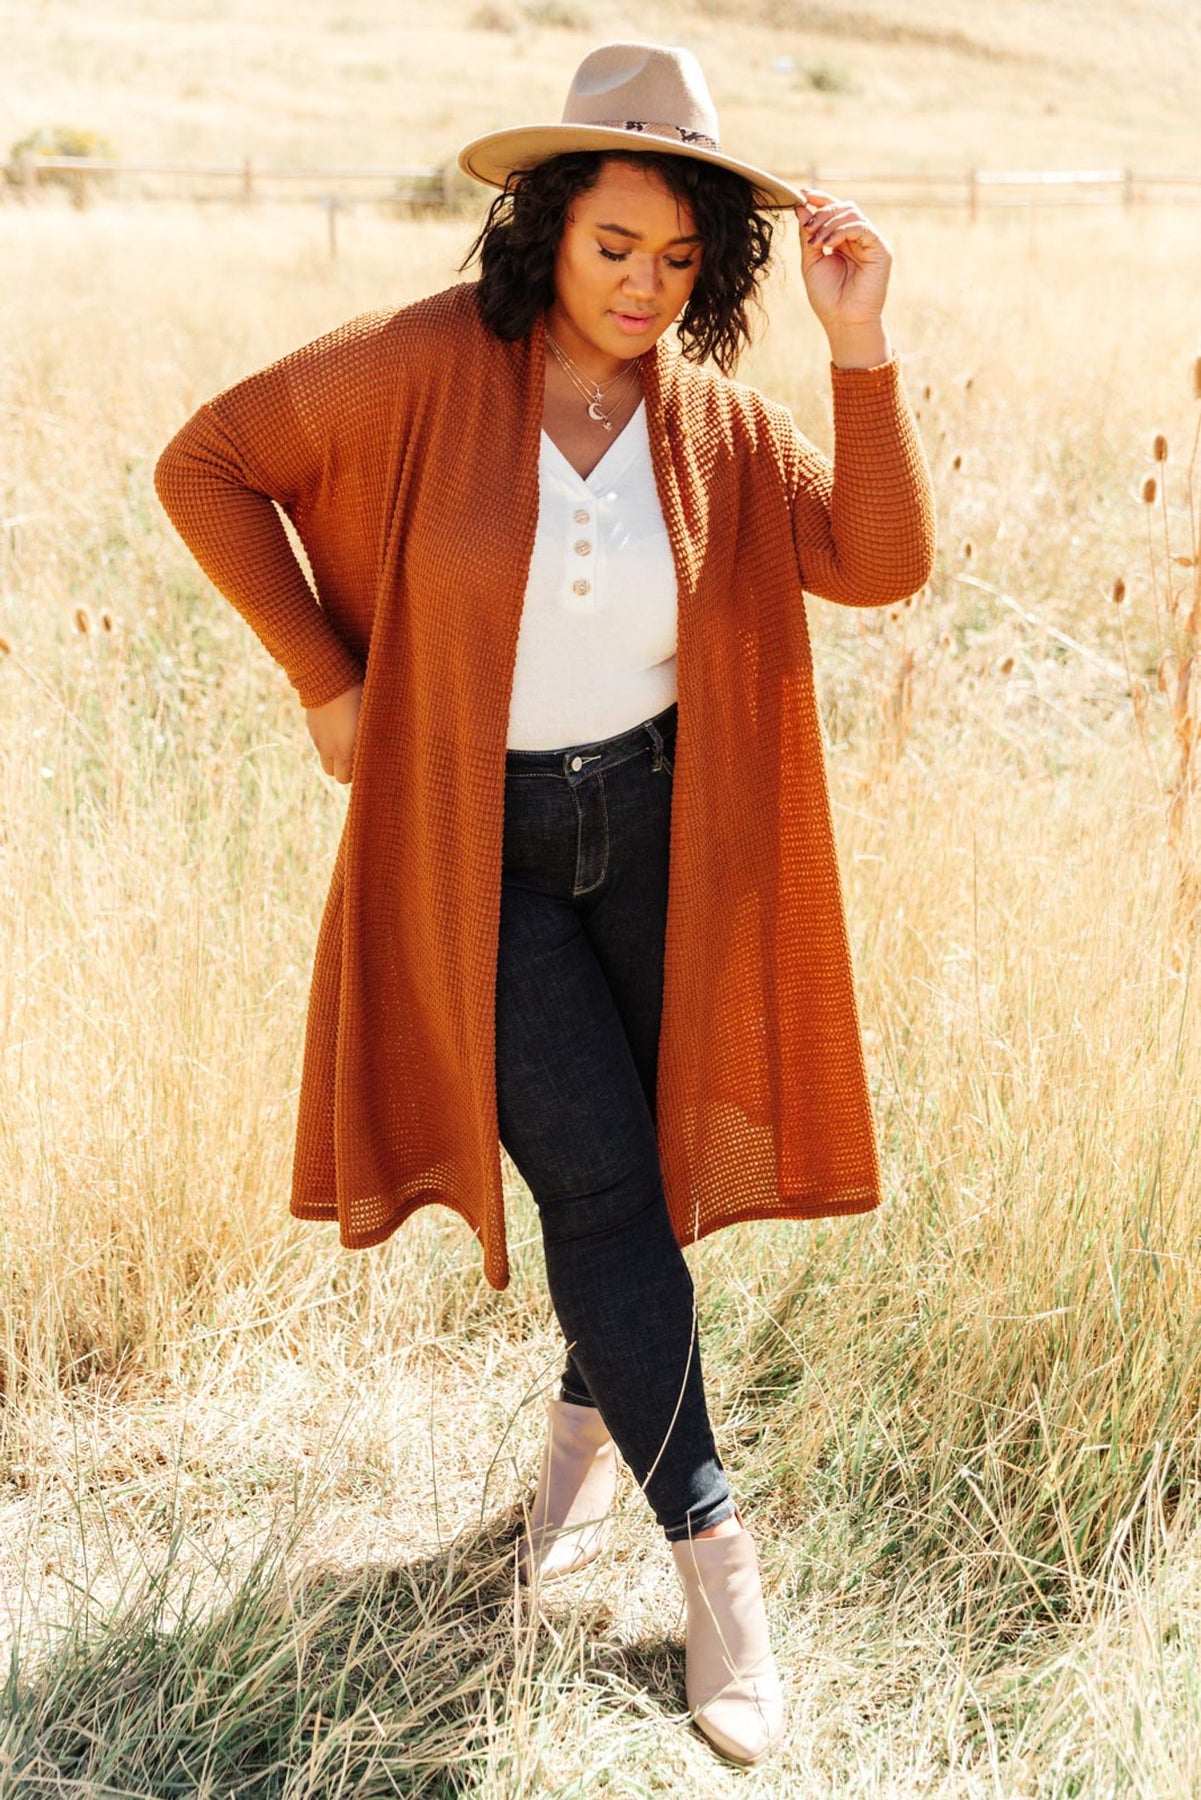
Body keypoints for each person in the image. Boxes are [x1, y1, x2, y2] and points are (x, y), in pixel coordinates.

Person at [154, 40, 935, 1768]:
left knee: (645, 1178)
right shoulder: (423, 362)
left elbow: (879, 565)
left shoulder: (712, 422)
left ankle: (580, 1451)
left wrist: (857, 345)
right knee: (593, 1184)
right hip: (472, 846)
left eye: (677, 257)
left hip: (661, 829)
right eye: (612, 245)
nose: (642, 286)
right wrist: (325, 680)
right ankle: (717, 1564)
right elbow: (206, 463)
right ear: (546, 226)